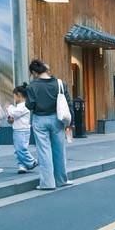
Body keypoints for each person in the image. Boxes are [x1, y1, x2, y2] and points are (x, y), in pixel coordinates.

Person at [26, 59, 73, 190]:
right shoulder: (60, 83)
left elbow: (30, 105)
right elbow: (68, 103)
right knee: (59, 150)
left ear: (34, 72)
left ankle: (47, 183)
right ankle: (61, 180)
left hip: (39, 120)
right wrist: (70, 122)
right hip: (57, 119)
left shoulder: (32, 86)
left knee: (44, 151)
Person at [7, 83, 38, 173]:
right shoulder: (19, 106)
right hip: (18, 129)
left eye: (14, 96)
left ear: (19, 95)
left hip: (22, 130)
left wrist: (9, 108)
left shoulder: (24, 105)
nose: (14, 98)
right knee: (19, 149)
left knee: (21, 149)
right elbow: (13, 117)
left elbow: (14, 113)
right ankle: (22, 165)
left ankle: (32, 162)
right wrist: (10, 118)